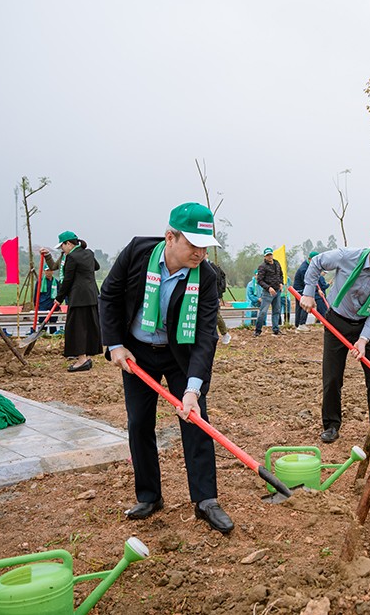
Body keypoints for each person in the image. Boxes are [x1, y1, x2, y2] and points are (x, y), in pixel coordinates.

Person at [98, 202, 233, 534]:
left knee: (196, 421)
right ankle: (149, 495)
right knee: (139, 423)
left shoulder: (207, 278)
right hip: (137, 352)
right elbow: (109, 296)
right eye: (193, 244)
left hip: (179, 354)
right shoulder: (137, 253)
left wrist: (192, 390)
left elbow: (204, 336)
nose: (200, 253)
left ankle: (205, 501)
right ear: (170, 237)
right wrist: (115, 345)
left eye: (205, 246)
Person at [301, 228, 370, 445]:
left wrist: (363, 339)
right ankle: (331, 425)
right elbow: (316, 263)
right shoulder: (346, 257)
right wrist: (308, 292)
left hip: (366, 324)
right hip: (337, 320)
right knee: (332, 377)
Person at [42, 231, 101, 372]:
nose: (62, 249)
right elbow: (96, 267)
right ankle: (86, 357)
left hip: (78, 298)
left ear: (68, 243)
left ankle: (81, 360)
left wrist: (59, 298)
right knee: (88, 327)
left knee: (77, 329)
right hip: (92, 296)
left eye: (62, 246)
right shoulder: (89, 253)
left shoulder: (72, 257)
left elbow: (67, 281)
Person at [254, 247, 284, 336]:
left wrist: (281, 283)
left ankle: (275, 329)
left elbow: (281, 275)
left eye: (270, 254)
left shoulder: (277, 263)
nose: (269, 257)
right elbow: (260, 280)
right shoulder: (262, 267)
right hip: (268, 292)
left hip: (277, 291)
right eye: (267, 255)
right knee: (263, 311)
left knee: (276, 310)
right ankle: (258, 330)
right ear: (265, 257)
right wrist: (269, 288)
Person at [33, 264, 60, 334]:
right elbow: (36, 294)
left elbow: (59, 294)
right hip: (43, 306)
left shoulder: (56, 282)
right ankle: (41, 337)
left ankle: (52, 337)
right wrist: (35, 304)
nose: (49, 272)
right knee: (42, 325)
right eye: (47, 270)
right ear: (44, 271)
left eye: (50, 270)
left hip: (53, 306)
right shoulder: (40, 282)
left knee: (53, 324)